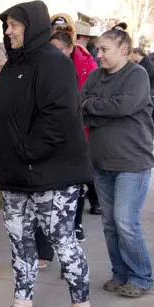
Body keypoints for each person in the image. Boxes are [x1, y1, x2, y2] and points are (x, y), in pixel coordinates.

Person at [0, 0, 103, 307]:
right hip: (16, 175)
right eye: (6, 25)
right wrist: (0, 149)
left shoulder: (53, 62)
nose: (8, 31)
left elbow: (59, 117)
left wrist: (27, 152)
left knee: (63, 242)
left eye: (13, 25)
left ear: (31, 25)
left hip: (52, 172)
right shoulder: (13, 65)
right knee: (20, 241)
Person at [81, 23, 154, 298]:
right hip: (101, 163)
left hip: (132, 163)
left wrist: (96, 107)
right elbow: (81, 105)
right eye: (98, 49)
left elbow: (124, 106)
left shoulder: (137, 75)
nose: (98, 54)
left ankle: (141, 277)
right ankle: (120, 274)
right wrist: (102, 108)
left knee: (126, 222)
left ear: (123, 50)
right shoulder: (96, 77)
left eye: (104, 49)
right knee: (110, 223)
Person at [0, 42, 55, 269]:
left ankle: (43, 251)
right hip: (6, 151)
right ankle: (23, 254)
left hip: (30, 151)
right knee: (17, 212)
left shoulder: (27, 81)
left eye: (0, 66)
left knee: (37, 205)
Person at [50, 24, 102, 236]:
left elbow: (89, 96)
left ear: (69, 48)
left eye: (59, 50)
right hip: (54, 129)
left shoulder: (86, 65)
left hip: (80, 129)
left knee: (78, 180)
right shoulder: (48, 66)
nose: (54, 55)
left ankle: (76, 222)